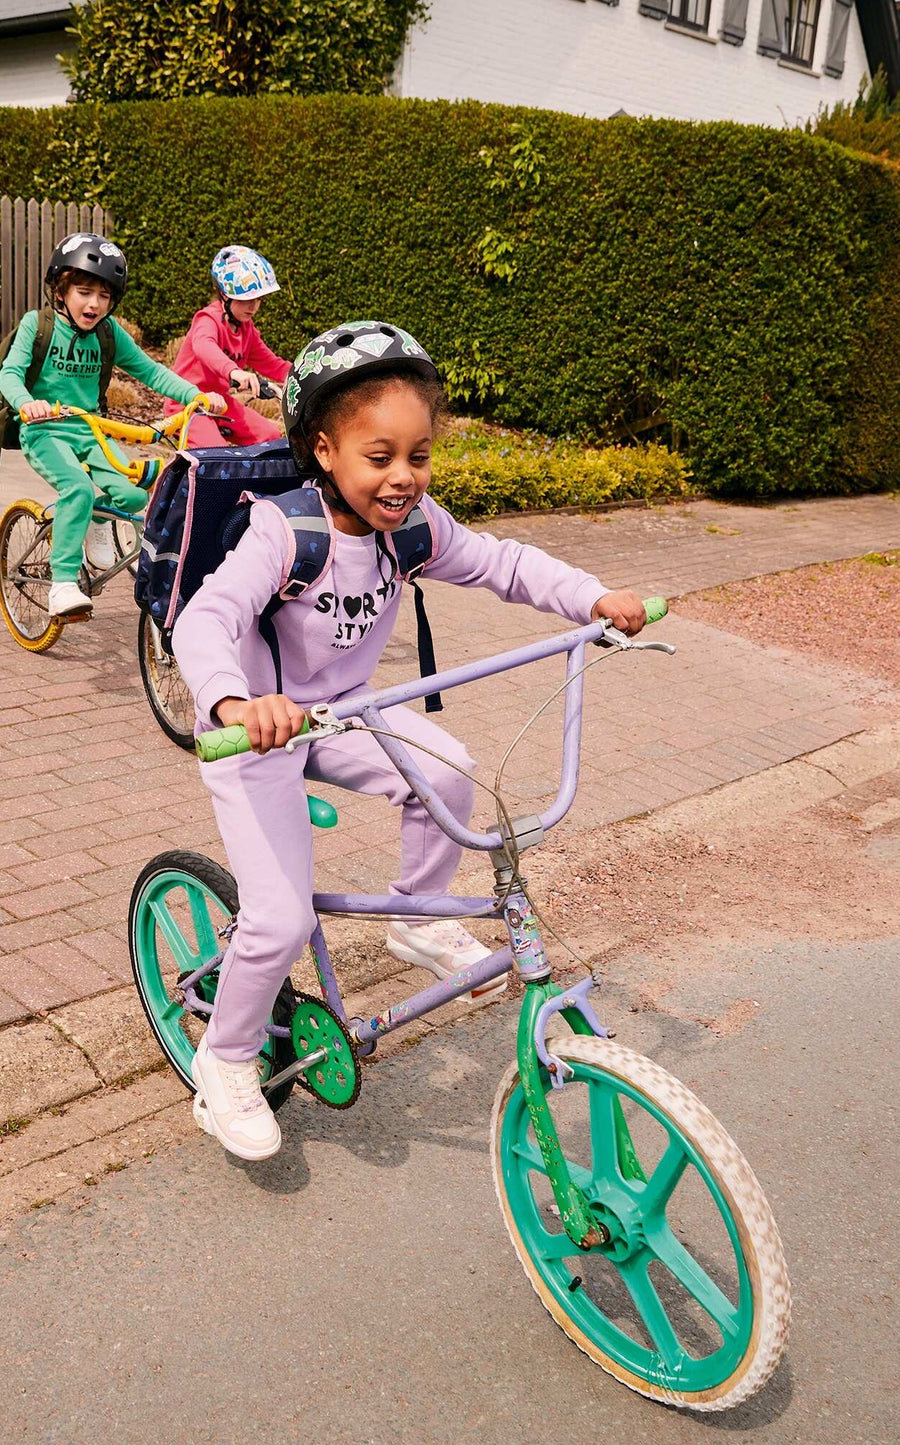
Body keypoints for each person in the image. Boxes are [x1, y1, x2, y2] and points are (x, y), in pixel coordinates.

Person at [171, 321, 647, 1160]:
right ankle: (227, 1059)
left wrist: (591, 598)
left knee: (451, 770)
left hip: (352, 706)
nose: (402, 477)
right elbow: (206, 618)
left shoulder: (416, 527)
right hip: (260, 734)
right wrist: (235, 704)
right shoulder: (284, 533)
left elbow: (502, 562)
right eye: (378, 455)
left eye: (417, 455)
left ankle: (417, 918)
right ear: (324, 451)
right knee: (279, 920)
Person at [0, 232, 226, 619]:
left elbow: (151, 371)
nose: (94, 304)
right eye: (85, 292)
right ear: (60, 290)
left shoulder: (107, 333)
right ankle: (63, 584)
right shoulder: (37, 325)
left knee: (134, 496)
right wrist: (27, 403)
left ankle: (94, 524)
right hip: (44, 430)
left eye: (104, 296)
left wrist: (194, 396)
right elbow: (9, 374)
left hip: (91, 431)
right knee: (77, 489)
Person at [166, 245, 291, 450]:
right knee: (218, 454)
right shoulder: (208, 318)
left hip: (219, 404)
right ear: (224, 294)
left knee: (271, 438)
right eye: (247, 299)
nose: (254, 306)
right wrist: (234, 371)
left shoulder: (246, 329)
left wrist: (302, 375)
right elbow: (204, 346)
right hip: (188, 403)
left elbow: (272, 364)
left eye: (258, 299)